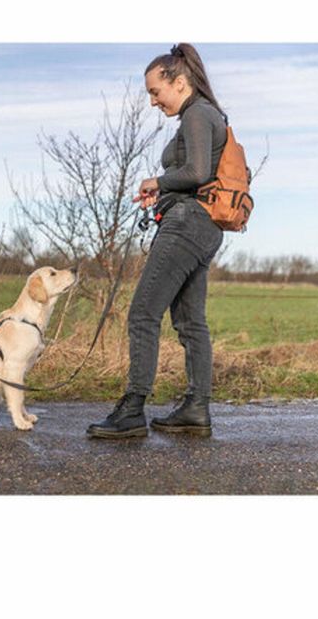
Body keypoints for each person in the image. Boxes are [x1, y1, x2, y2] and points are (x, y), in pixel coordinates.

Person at [87, 43, 226, 439]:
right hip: (203, 227)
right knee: (189, 322)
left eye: (155, 91)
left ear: (179, 82)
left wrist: (157, 181)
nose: (152, 101)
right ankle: (196, 408)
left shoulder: (197, 113)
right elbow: (197, 175)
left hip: (186, 225)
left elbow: (198, 172)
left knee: (143, 313)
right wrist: (163, 193)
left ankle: (133, 408)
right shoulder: (206, 114)